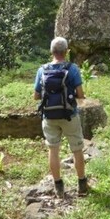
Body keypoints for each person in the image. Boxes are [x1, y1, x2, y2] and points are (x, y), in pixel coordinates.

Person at [33, 37, 89, 198]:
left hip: (49, 116)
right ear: (67, 52)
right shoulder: (72, 69)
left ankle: (58, 186)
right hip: (69, 115)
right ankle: (82, 185)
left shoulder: (42, 70)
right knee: (77, 149)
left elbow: (36, 96)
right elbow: (80, 94)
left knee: (53, 149)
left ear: (51, 51)